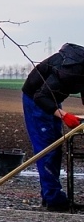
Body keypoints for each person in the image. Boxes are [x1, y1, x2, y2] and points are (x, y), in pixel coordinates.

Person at [21, 43, 84, 212]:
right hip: (36, 100)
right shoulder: (69, 71)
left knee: (56, 147)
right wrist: (64, 115)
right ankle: (54, 200)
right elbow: (41, 96)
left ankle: (50, 196)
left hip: (53, 99)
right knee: (48, 149)